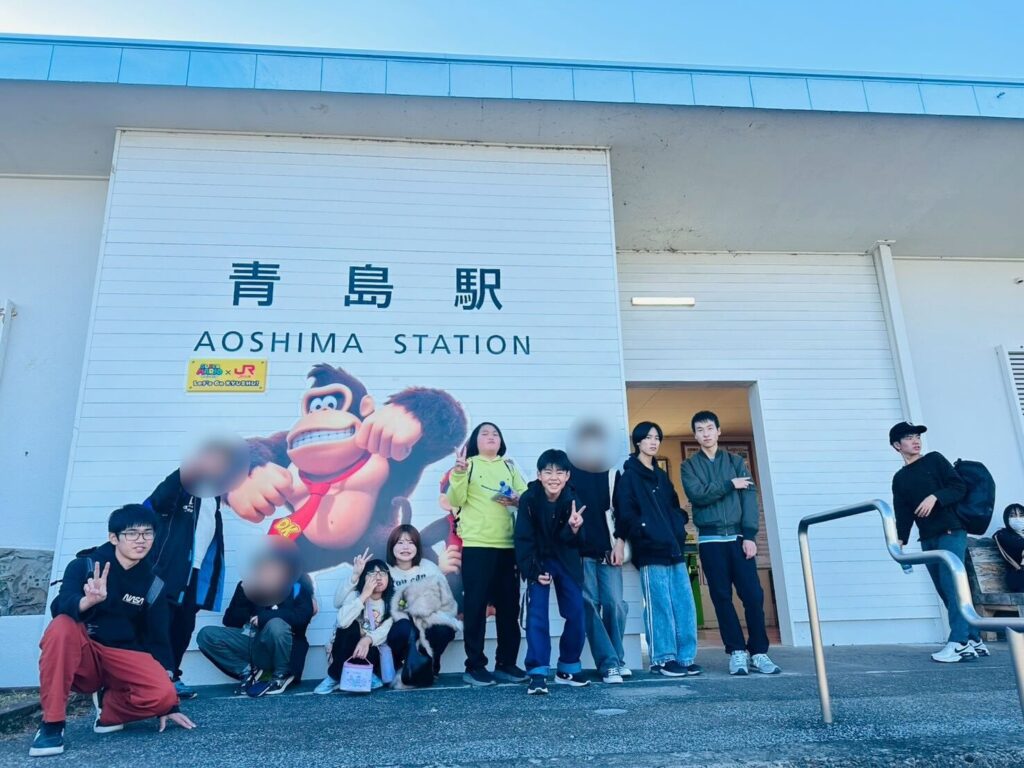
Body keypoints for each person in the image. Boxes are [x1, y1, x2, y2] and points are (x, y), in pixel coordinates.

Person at [30, 505, 195, 758]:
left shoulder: (153, 583)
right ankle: (52, 724)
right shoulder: (84, 566)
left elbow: (158, 637)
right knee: (62, 625)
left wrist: (167, 700)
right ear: (114, 538)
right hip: (82, 652)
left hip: (121, 653)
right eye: (131, 533)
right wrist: (88, 602)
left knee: (164, 696)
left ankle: (109, 707)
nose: (141, 540)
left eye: (147, 533)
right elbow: (62, 605)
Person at [681, 411, 781, 677]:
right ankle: (736, 651)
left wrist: (750, 535)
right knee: (721, 596)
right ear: (695, 435)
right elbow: (698, 496)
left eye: (710, 428)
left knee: (753, 595)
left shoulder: (736, 462)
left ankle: (759, 652)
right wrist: (728, 485)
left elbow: (749, 497)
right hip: (710, 539)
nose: (705, 433)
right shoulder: (689, 467)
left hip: (738, 538)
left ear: (719, 431)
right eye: (700, 430)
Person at [144, 439, 243, 699]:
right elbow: (156, 502)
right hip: (170, 570)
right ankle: (159, 678)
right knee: (162, 624)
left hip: (196, 572)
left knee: (184, 625)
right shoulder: (183, 487)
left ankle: (172, 674)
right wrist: (184, 472)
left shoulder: (213, 496)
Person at [890, 421, 986, 662]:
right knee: (945, 590)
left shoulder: (934, 460)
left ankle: (959, 642)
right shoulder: (900, 478)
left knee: (952, 585)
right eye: (909, 437)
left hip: (951, 531)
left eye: (917, 436)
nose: (916, 440)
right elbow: (902, 512)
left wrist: (935, 497)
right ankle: (974, 638)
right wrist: (900, 540)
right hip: (928, 537)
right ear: (896, 446)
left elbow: (958, 487)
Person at [613, 422, 701, 678]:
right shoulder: (629, 476)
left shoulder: (662, 476)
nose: (653, 442)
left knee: (684, 603)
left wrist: (678, 524)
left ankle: (685, 657)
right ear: (638, 442)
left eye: (657, 438)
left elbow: (674, 507)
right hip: (650, 549)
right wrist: (645, 529)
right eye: (648, 437)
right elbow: (625, 512)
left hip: (673, 547)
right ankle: (662, 659)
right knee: (659, 604)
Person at [446, 422, 529, 686]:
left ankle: (506, 663)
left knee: (508, 608)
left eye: (496, 434)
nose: (491, 437)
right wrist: (458, 474)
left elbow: (527, 497)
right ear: (474, 441)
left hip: (507, 546)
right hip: (477, 545)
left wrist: (517, 500)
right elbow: (455, 500)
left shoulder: (509, 466)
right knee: (475, 607)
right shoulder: (466, 466)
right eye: (485, 433)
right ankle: (474, 666)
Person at [515, 449, 589, 694]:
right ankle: (537, 672)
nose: (554, 477)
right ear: (539, 474)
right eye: (548, 471)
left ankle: (568, 667)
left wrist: (574, 528)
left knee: (577, 613)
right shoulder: (528, 499)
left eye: (559, 472)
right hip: (539, 561)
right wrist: (534, 571)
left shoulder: (573, 499)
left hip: (566, 562)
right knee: (537, 616)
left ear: (567, 475)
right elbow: (523, 539)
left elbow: (578, 543)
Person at [196, 544, 314, 695]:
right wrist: (243, 594)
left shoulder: (298, 583)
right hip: (255, 643)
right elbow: (230, 621)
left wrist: (264, 618)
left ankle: (281, 674)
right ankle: (248, 672)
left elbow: (303, 616)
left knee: (276, 624)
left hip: (285, 647)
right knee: (206, 635)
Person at [567, 422, 630, 684]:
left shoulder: (611, 474)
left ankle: (615, 658)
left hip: (608, 551)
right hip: (579, 553)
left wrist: (619, 543)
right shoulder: (567, 475)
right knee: (589, 605)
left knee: (615, 605)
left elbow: (624, 511)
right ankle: (609, 664)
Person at [384, 525, 461, 683]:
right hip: (399, 623)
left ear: (417, 547)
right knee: (404, 629)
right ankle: (405, 666)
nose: (405, 547)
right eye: (400, 543)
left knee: (442, 629)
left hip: (429, 619)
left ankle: (430, 666)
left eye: (410, 542)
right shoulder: (385, 571)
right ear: (392, 546)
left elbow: (447, 602)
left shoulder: (429, 567)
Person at [315, 557, 395, 693]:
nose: (378, 577)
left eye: (382, 573)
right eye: (372, 574)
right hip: (345, 649)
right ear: (364, 578)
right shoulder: (355, 596)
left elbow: (385, 630)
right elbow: (342, 622)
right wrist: (364, 596)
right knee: (349, 627)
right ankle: (335, 676)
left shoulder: (392, 602)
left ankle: (357, 676)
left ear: (389, 578)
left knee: (374, 641)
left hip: (371, 651)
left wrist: (367, 639)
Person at [993, 503, 1024, 592]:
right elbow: (1017, 546)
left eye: (1021, 515)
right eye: (1012, 516)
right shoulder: (1003, 535)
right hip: (1019, 577)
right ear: (1006, 519)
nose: (1018, 519)